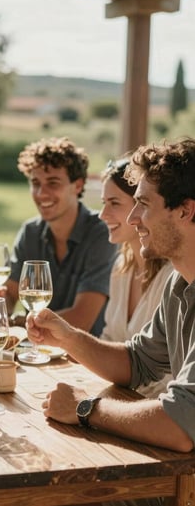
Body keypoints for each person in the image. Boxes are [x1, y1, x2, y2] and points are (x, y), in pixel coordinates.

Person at [26, 138, 195, 460]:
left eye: (143, 204)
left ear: (185, 210)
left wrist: (84, 408)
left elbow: (182, 425)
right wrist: (69, 338)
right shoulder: (180, 282)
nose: (133, 218)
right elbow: (137, 362)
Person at [0, 137, 116, 336]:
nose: (41, 193)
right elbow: (10, 294)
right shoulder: (30, 233)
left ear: (77, 186)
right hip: (36, 352)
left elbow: (82, 319)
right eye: (35, 183)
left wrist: (21, 324)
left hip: (85, 359)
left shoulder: (101, 233)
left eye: (53, 183)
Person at [99, 157, 173, 397]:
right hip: (120, 397)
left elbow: (168, 375)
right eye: (103, 203)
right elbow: (110, 338)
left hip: (153, 410)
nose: (102, 214)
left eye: (114, 203)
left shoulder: (174, 276)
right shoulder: (122, 267)